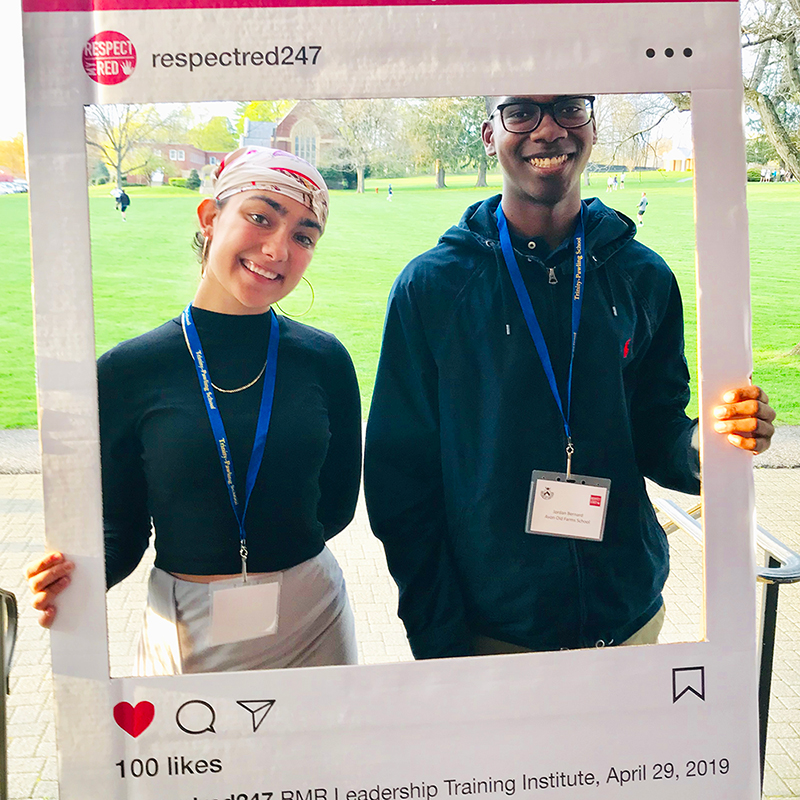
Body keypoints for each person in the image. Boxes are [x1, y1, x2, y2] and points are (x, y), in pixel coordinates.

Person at [364, 94, 776, 660]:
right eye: (522, 113)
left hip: (627, 616)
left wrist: (706, 448)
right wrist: (436, 634)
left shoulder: (642, 276)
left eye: (568, 109)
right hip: (492, 632)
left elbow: (657, 430)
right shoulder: (433, 287)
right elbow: (399, 478)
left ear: (592, 127)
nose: (549, 129)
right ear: (490, 135)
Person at [26, 147, 362, 674]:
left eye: (303, 235)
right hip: (184, 627)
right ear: (210, 218)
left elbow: (338, 503)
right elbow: (122, 527)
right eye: (260, 216)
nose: (278, 248)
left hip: (312, 621)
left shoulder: (324, 360)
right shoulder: (126, 371)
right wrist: (75, 580)